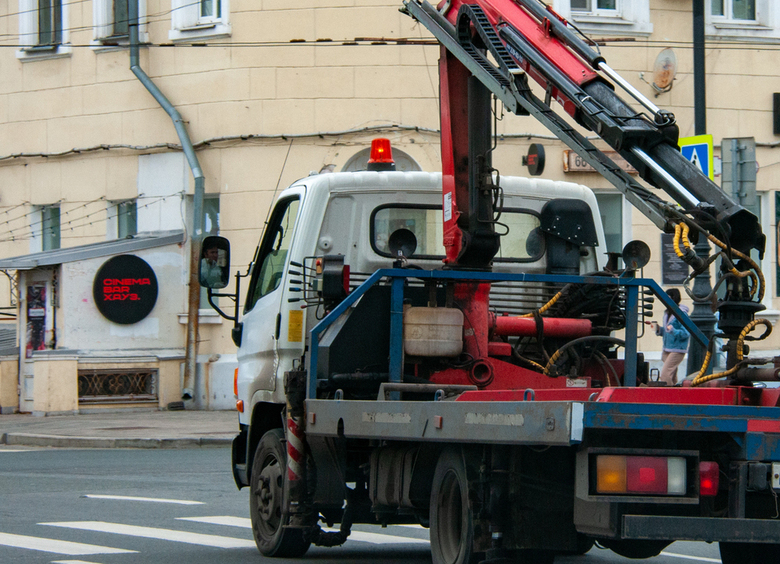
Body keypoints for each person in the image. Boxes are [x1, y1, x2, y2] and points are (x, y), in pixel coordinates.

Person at [654, 288, 690, 385]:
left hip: (677, 349)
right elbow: (667, 331)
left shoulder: (681, 313)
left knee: (665, 375)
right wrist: (659, 329)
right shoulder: (667, 313)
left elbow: (686, 333)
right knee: (672, 376)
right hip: (667, 349)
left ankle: (668, 395)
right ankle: (676, 395)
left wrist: (673, 331)